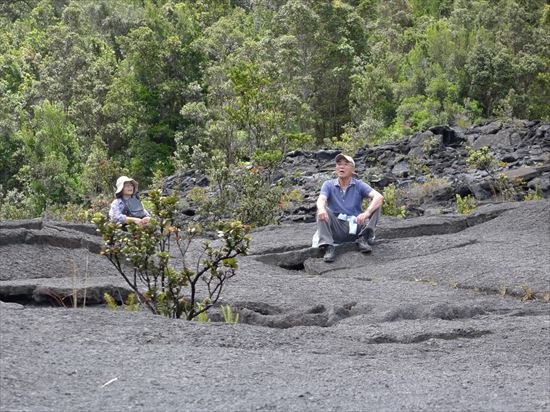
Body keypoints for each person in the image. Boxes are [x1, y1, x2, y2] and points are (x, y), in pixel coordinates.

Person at [314, 154, 384, 263]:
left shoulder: (359, 185)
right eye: (339, 164)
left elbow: (379, 196)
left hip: (355, 226)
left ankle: (364, 238)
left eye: (346, 164)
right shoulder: (328, 184)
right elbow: (321, 199)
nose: (341, 167)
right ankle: (328, 246)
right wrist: (322, 209)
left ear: (353, 169)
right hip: (337, 228)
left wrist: (366, 213)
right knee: (321, 209)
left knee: (377, 204)